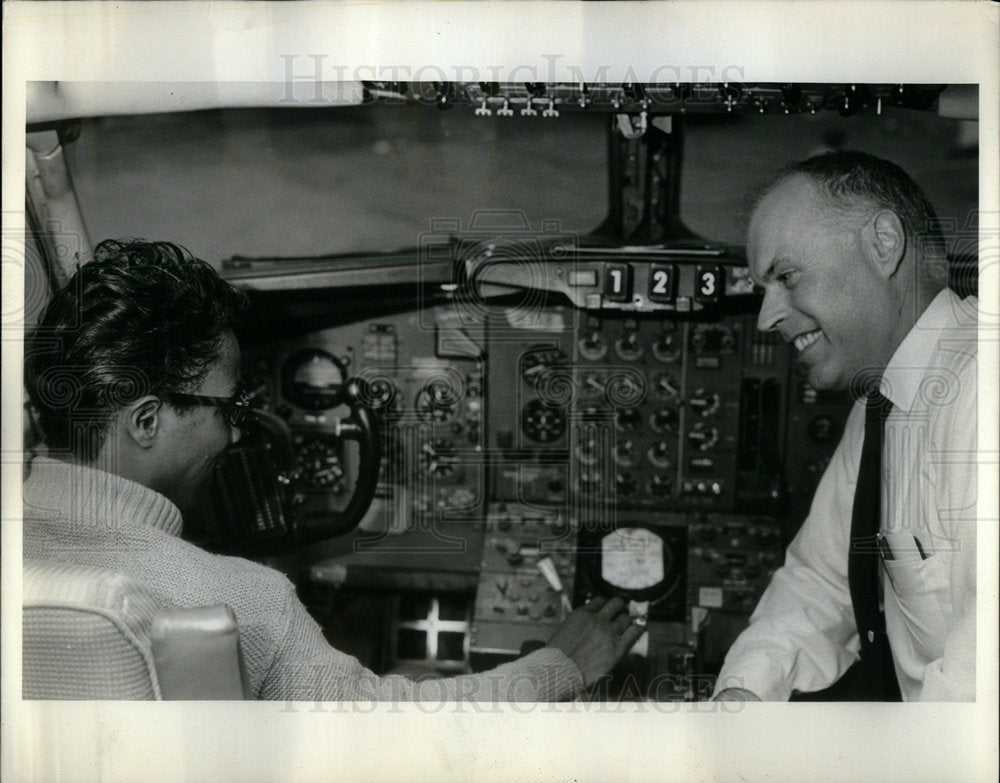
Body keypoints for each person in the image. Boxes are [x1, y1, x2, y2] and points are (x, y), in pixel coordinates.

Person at [23, 238, 644, 702]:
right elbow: (388, 733)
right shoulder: (239, 603)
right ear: (147, 421)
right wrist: (563, 664)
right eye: (230, 407)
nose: (238, 431)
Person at [713, 151, 977, 702]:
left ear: (884, 244)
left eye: (787, 277)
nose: (766, 318)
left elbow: (978, 696)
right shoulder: (880, 402)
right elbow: (821, 583)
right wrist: (743, 698)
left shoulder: (982, 403)